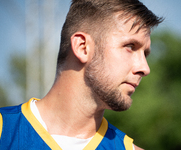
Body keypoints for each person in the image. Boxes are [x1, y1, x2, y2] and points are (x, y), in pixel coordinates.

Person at [0, 0, 163, 149]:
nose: (145, 68)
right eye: (130, 46)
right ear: (82, 47)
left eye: (145, 54)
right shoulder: (4, 131)